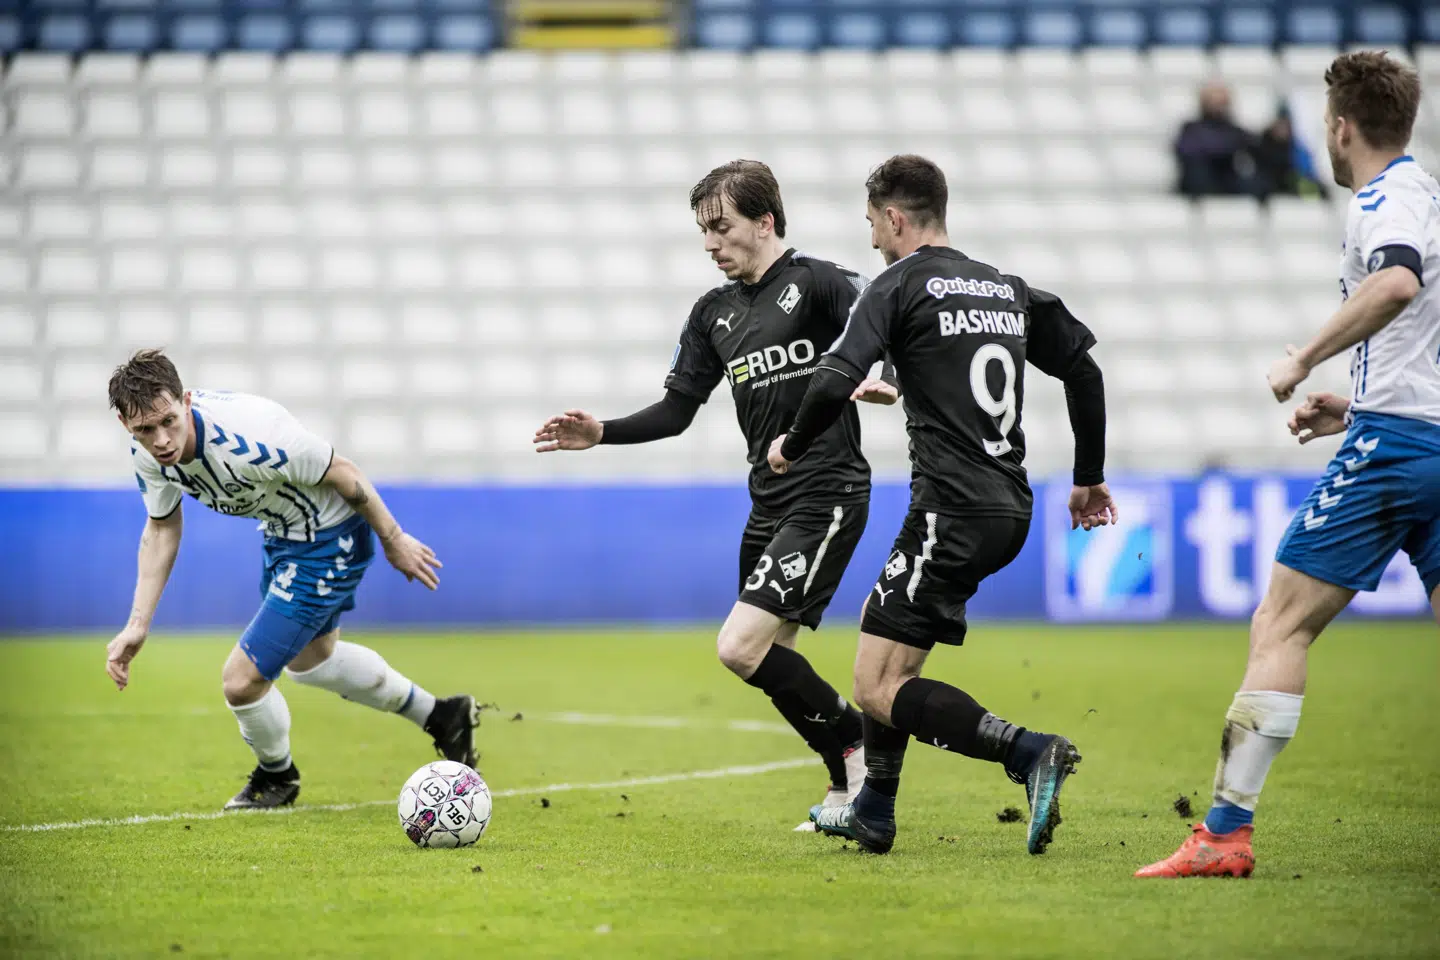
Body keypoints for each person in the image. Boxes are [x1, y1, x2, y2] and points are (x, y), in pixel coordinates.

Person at [1137, 51, 1438, 880]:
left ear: (1340, 128)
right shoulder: (1427, 193)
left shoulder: (1390, 200)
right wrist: (1354, 405)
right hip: (1423, 434)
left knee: (1281, 624)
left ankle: (1225, 834)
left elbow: (1399, 285)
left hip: (1399, 452)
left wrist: (1303, 360)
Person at [767, 154, 1117, 855]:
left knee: (874, 686)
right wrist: (1087, 475)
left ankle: (1027, 751)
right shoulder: (1002, 286)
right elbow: (1082, 367)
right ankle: (875, 811)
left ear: (894, 218)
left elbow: (837, 374)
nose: (871, 239)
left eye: (872, 224)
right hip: (1008, 504)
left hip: (950, 511)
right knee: (884, 636)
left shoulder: (898, 285)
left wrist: (792, 443)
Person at [534, 160, 899, 830]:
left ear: (764, 222)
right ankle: (847, 790)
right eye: (702, 230)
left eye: (720, 227)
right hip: (767, 502)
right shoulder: (713, 313)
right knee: (769, 655)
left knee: (739, 646)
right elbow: (678, 410)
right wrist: (602, 432)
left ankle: (854, 749)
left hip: (830, 489)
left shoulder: (817, 283)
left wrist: (888, 378)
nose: (709, 243)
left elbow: (892, 319)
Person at [105, 350, 477, 810]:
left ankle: (276, 777)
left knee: (241, 681)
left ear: (186, 400)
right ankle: (443, 716)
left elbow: (344, 471)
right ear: (127, 424)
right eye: (145, 430)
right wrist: (137, 625)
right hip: (284, 536)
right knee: (312, 662)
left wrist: (394, 538)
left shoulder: (254, 435)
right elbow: (161, 527)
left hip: (329, 537)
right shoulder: (148, 455)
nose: (161, 440)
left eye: (169, 421)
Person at [1174, 80, 1262, 198]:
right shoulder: (1191, 128)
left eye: (1222, 103)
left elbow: (1256, 145)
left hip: (1227, 183)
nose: (1219, 108)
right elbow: (1188, 150)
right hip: (1200, 186)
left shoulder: (1234, 130)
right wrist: (1227, 145)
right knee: (1198, 175)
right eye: (1214, 102)